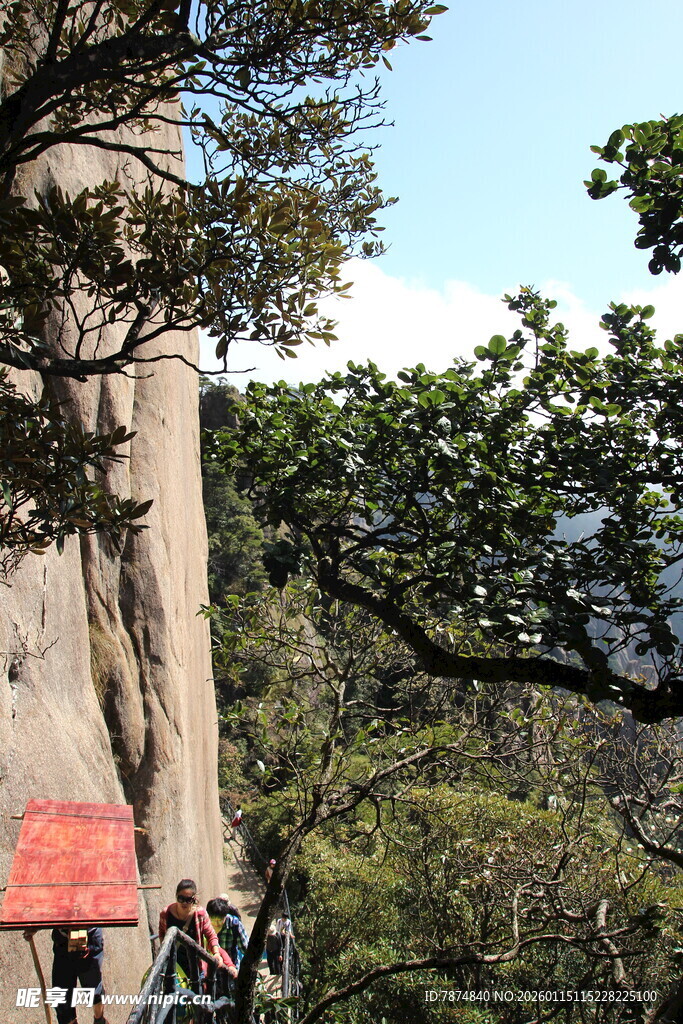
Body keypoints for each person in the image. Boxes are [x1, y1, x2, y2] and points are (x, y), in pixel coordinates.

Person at [24, 926, 108, 1024]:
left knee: (94, 992)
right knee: (61, 1001)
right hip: (63, 940)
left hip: (89, 939)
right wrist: (35, 926)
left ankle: (99, 1020)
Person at [158, 879, 224, 994]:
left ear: (194, 899)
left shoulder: (200, 914)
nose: (184, 903)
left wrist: (216, 953)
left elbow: (211, 935)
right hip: (174, 967)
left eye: (188, 900)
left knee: (197, 998)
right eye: (181, 898)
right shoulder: (166, 913)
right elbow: (162, 935)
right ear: (176, 896)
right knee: (173, 998)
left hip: (195, 966)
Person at [206, 896, 248, 968]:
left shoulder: (234, 924)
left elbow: (246, 949)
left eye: (220, 920)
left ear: (225, 916)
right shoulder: (204, 922)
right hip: (209, 968)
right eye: (213, 920)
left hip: (231, 968)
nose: (217, 924)